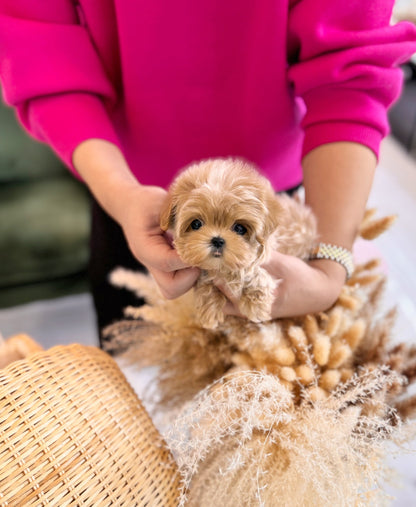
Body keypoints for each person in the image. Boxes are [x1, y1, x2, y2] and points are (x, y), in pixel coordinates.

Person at [1, 1, 415, 346]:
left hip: (269, 189)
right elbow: (41, 46)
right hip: (127, 194)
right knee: (128, 379)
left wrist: (330, 265)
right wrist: (120, 191)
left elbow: (350, 68)